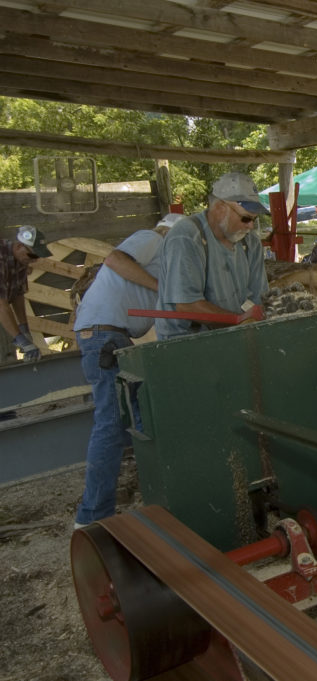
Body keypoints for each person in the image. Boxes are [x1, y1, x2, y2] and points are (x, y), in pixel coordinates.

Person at [72, 213, 186, 528]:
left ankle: (169, 500)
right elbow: (114, 259)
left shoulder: (161, 260)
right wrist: (161, 287)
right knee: (111, 426)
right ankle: (92, 518)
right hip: (104, 336)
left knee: (139, 419)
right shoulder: (153, 238)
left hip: (112, 336)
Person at [156, 172, 270, 340]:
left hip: (233, 337)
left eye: (255, 219)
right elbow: (187, 306)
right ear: (219, 208)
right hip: (185, 342)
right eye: (245, 218)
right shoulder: (186, 237)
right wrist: (240, 321)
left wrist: (251, 320)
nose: (251, 226)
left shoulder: (251, 242)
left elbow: (258, 299)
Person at [0, 225, 52, 362]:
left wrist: (24, 329)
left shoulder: (20, 260)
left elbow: (18, 294)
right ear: (19, 246)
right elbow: (1, 305)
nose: (34, 260)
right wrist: (21, 340)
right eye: (33, 255)